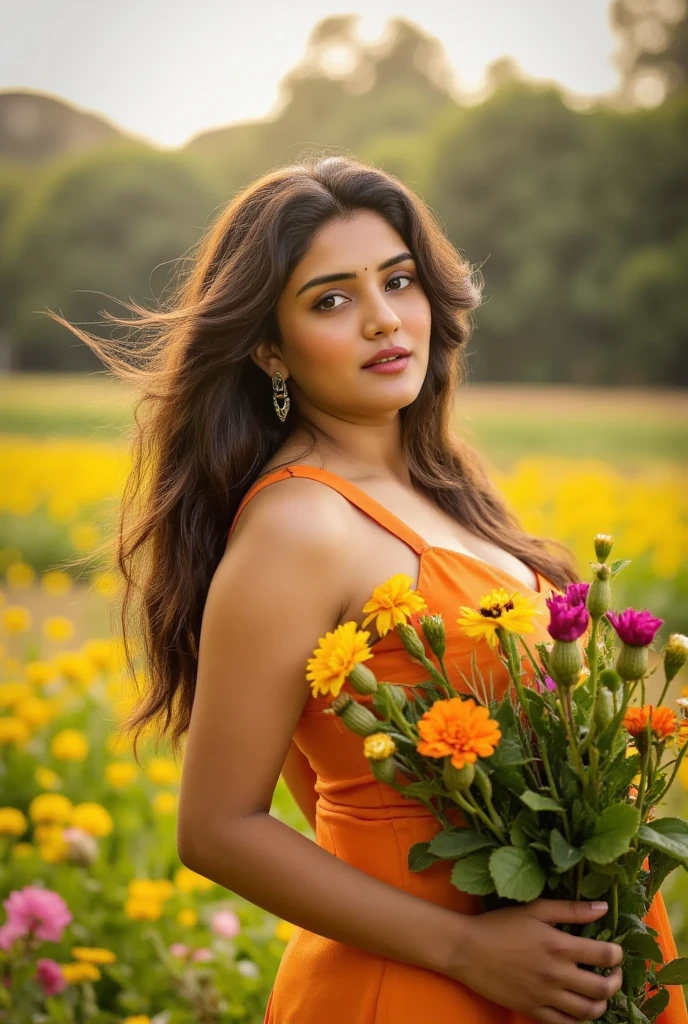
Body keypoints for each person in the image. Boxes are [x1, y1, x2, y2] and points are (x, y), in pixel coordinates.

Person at [52, 155, 687, 1024]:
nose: (385, 320)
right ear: (269, 346)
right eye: (332, 300)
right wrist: (468, 946)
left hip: (546, 975)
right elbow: (218, 828)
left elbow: (338, 789)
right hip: (424, 990)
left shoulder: (446, 490)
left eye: (399, 281)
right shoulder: (298, 526)